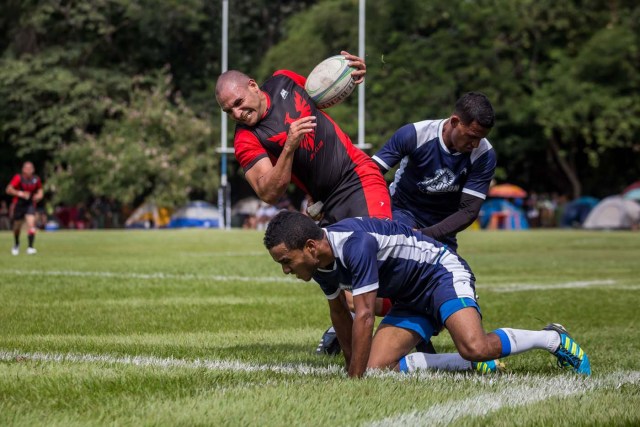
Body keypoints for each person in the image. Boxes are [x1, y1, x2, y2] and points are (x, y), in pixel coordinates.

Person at [264, 211, 591, 378]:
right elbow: (340, 315)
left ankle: (552, 339)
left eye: (286, 261)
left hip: (440, 274)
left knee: (475, 346)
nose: (286, 270)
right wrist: (355, 367)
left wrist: (353, 380)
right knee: (377, 367)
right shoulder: (320, 263)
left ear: (309, 247)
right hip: (410, 297)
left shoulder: (354, 244)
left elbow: (363, 315)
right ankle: (468, 367)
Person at [214, 51, 390, 227]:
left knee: (377, 240)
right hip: (324, 203)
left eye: (238, 103)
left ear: (253, 85)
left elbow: (323, 92)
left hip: (357, 175)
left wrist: (349, 76)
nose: (236, 114)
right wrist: (289, 148)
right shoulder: (245, 138)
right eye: (228, 111)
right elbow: (268, 194)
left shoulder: (284, 79)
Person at [372, 92, 497, 251]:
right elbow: (369, 172)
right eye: (471, 136)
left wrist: (425, 235)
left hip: (442, 226)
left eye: (481, 138)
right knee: (404, 255)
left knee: (460, 276)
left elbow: (469, 211)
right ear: (454, 121)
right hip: (402, 211)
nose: (476, 144)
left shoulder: (485, 155)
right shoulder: (415, 134)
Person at [6, 162, 44, 255]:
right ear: (23, 169)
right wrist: (20, 193)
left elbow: (40, 190)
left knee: (31, 224)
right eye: (27, 168)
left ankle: (30, 247)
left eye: (30, 168)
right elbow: (8, 189)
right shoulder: (18, 178)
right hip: (19, 204)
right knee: (17, 227)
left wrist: (39, 196)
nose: (29, 170)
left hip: (30, 204)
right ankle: (16, 244)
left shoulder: (36, 179)